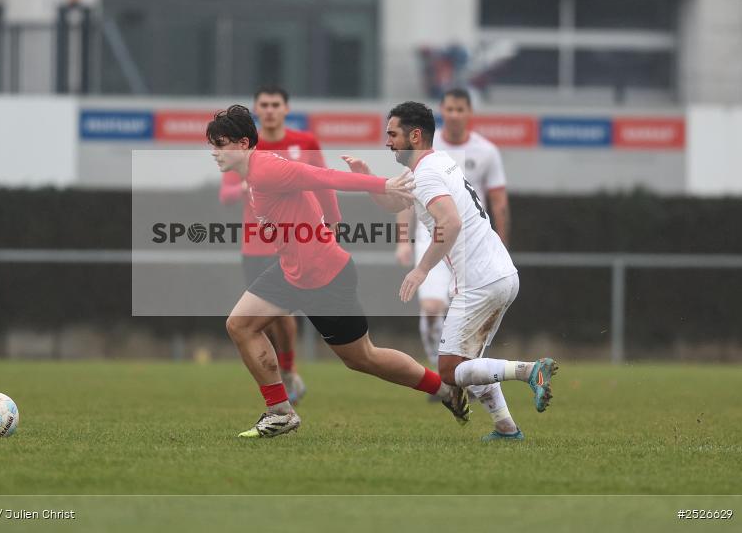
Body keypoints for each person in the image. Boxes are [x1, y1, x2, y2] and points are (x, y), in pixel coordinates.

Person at [208, 104, 464, 439]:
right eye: (212, 144)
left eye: (221, 143)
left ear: (243, 144)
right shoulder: (257, 173)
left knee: (363, 358)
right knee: (240, 325)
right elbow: (317, 185)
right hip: (291, 271)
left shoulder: (264, 170)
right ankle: (280, 412)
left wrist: (382, 185)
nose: (214, 152)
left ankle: (444, 389)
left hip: (324, 277)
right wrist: (331, 223)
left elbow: (325, 177)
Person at [346, 101, 556, 442]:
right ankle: (507, 429)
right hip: (499, 274)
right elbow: (397, 203)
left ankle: (530, 371)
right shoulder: (436, 162)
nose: (388, 142)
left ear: (414, 135)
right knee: (472, 362)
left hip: (479, 282)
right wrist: (366, 179)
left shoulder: (426, 173)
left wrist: (421, 270)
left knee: (450, 370)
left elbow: (451, 222)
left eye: (392, 134)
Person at [219, 86, 335, 405]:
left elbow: (323, 181)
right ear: (256, 110)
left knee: (281, 312)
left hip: (296, 242)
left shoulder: (305, 143)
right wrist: (245, 184)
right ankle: (283, 376)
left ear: (286, 108)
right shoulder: (244, 148)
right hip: (255, 244)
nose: (269, 110)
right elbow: (226, 194)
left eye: (275, 104)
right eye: (264, 105)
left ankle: (288, 370)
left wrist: (329, 227)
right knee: (264, 319)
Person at [395, 88, 510, 367]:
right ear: (442, 112)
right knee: (432, 309)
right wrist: (402, 241)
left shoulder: (486, 151)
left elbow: (499, 202)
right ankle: (442, 371)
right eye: (450, 109)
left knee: (470, 335)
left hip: (471, 239)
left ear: (470, 113)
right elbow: (404, 198)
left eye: (461, 109)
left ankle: (456, 372)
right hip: (431, 236)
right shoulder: (425, 153)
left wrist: (502, 244)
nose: (455, 114)